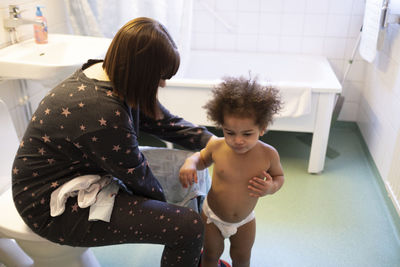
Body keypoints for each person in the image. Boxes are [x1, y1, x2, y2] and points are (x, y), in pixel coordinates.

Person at [11, 17, 215, 267]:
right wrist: (180, 209)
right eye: (159, 76)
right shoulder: (102, 112)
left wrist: (216, 143)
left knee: (191, 186)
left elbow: (164, 122)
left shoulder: (108, 72)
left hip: (72, 173)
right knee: (188, 227)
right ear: (141, 72)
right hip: (48, 206)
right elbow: (141, 181)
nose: (162, 84)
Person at [179, 76, 285, 267]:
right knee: (210, 256)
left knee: (242, 258)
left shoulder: (268, 154)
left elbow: (279, 177)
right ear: (221, 126)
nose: (238, 140)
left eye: (247, 134)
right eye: (230, 132)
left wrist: (271, 187)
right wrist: (190, 162)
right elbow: (201, 158)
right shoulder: (217, 146)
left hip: (245, 220)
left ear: (262, 128)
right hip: (212, 217)